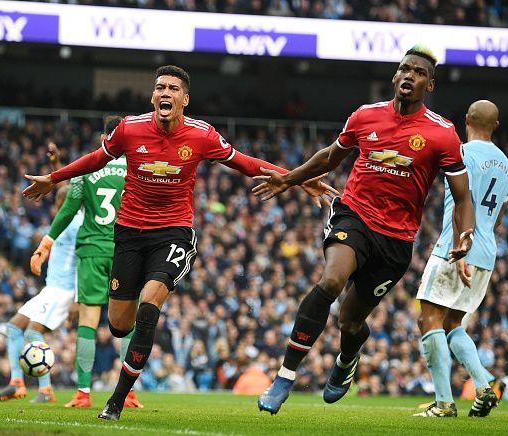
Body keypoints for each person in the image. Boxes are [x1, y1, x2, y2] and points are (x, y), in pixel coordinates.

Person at [22, 65, 337, 420]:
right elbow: (96, 159)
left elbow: (245, 163)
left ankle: (116, 401)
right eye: (160, 87)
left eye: (173, 88)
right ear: (153, 96)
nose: (165, 93)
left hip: (173, 233)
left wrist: (298, 177)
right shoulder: (129, 128)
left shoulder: (201, 135)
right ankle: (128, 360)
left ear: (185, 99)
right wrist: (53, 177)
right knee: (119, 325)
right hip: (127, 234)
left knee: (149, 305)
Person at [253, 45, 475, 415]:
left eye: (418, 73)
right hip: (354, 215)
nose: (409, 76)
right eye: (404, 69)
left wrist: (465, 234)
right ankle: (284, 377)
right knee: (330, 282)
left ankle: (347, 358)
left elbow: (462, 195)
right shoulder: (365, 116)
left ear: (430, 84)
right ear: (394, 76)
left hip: (397, 241)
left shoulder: (442, 134)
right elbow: (330, 157)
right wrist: (289, 179)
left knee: (350, 320)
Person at [29, 116, 142, 409]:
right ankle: (128, 393)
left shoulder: (88, 167)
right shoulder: (137, 168)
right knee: (127, 324)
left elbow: (68, 208)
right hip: (126, 251)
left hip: (92, 250)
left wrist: (47, 241)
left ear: (104, 137)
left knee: (89, 321)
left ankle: (83, 393)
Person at [414, 100, 508, 418]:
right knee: (453, 323)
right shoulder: (507, 165)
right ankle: (485, 387)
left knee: (428, 319)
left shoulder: (461, 153)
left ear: (467, 119)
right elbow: (498, 219)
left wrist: (460, 247)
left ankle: (443, 404)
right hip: (486, 252)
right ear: (496, 126)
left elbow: (462, 203)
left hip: (455, 248)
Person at [0, 144, 81, 404]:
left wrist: (76, 298)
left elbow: (83, 259)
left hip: (64, 290)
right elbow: (67, 188)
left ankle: (46, 390)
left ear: (65, 203)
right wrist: (57, 164)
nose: (54, 204)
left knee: (32, 332)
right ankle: (17, 382)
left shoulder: (76, 224)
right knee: (12, 328)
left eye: (58, 201)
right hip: (50, 288)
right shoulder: (62, 222)